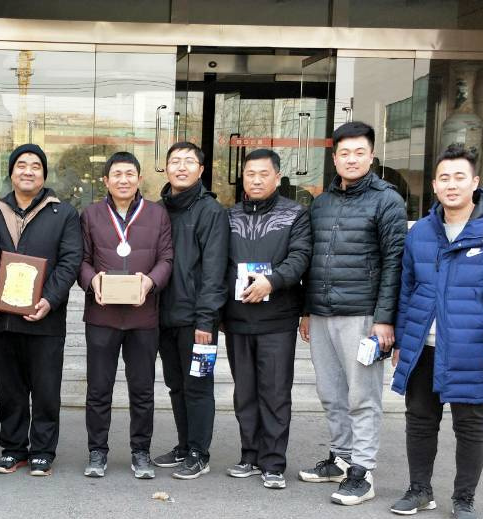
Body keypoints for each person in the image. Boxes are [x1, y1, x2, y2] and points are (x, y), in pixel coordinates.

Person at [389, 144, 483, 519]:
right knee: (419, 420)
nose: (451, 185)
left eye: (459, 177)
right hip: (424, 347)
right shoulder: (421, 231)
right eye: (444, 178)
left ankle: (464, 498)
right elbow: (407, 289)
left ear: (475, 182)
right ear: (434, 185)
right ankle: (419, 490)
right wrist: (402, 340)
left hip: (472, 346)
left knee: (470, 425)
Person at [298, 121, 407, 506]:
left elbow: (395, 262)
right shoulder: (322, 202)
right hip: (322, 313)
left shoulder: (387, 200)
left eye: (360, 152)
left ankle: (362, 471)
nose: (352, 159)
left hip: (363, 314)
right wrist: (306, 310)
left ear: (371, 156)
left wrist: (384, 319)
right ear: (334, 158)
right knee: (330, 392)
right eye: (344, 153)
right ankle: (341, 458)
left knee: (362, 396)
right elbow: (311, 259)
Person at [0, 143, 82, 476]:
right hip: (4, 320)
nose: (28, 171)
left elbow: (70, 261)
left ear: (44, 174)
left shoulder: (63, 213)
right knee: (9, 390)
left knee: (46, 390)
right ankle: (13, 449)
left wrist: (49, 299)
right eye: (21, 165)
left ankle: (42, 451)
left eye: (35, 166)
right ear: (11, 172)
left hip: (45, 319)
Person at [79, 152, 172, 479]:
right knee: (98, 389)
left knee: (143, 390)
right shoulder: (91, 215)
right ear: (105, 180)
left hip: (143, 317)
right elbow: (82, 259)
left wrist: (151, 282)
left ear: (139, 179)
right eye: (116, 174)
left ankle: (140, 451)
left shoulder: (157, 214)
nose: (123, 180)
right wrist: (92, 281)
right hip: (101, 316)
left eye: (129, 174)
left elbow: (166, 259)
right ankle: (97, 451)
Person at [222, 149, 311, 489]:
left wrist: (272, 281)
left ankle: (273, 462)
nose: (256, 180)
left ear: (277, 177)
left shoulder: (296, 214)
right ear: (243, 178)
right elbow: (219, 263)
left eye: (263, 174)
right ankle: (249, 454)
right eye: (250, 174)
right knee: (244, 392)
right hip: (238, 318)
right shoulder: (229, 217)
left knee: (274, 392)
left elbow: (300, 257)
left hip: (277, 318)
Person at [153, 142, 228, 480]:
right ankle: (184, 446)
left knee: (198, 386)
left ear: (201, 169)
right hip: (163, 316)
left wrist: (207, 319)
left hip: (198, 321)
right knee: (176, 385)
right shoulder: (157, 210)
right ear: (166, 168)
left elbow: (214, 271)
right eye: (175, 161)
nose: (181, 167)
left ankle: (200, 452)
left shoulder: (211, 211)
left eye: (188, 161)